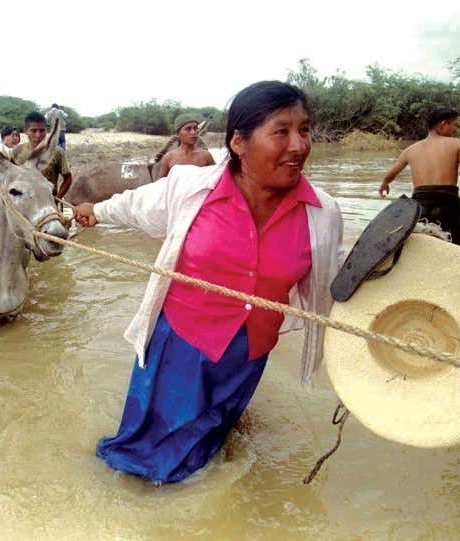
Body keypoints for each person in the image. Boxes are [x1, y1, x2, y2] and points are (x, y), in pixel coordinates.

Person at [73, 81, 343, 484]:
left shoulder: (322, 213)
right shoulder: (191, 187)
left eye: (304, 130)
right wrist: (95, 210)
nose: (299, 145)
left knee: (212, 440)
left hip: (249, 351)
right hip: (180, 341)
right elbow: (135, 204)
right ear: (238, 142)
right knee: (146, 452)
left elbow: (333, 276)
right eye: (281, 131)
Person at [379, 107, 460, 245]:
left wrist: (385, 184)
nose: (456, 129)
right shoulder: (458, 144)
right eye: (455, 125)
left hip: (419, 205)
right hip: (447, 204)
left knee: (422, 245)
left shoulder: (410, 150)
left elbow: (390, 175)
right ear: (443, 124)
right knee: (454, 247)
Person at [12, 111, 73, 198]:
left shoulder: (57, 152)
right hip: (24, 202)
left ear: (46, 130)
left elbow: (68, 178)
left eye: (42, 130)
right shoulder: (17, 151)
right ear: (25, 131)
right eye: (33, 131)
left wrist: (57, 198)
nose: (38, 135)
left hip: (48, 201)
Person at [153, 113, 217, 179]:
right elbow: (161, 183)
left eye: (195, 128)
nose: (193, 132)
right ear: (178, 134)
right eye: (188, 129)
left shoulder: (206, 156)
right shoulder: (169, 158)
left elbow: (216, 179)